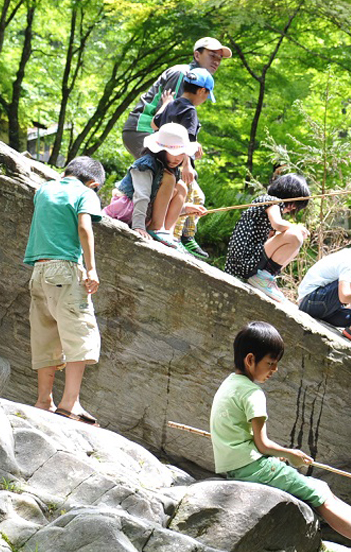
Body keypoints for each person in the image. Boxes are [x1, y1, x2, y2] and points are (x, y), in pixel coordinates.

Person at [210, 320, 351, 552]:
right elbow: (262, 444)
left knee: (321, 487)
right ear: (250, 360)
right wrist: (291, 455)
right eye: (270, 363)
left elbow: (240, 438)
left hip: (240, 466)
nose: (275, 370)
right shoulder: (252, 394)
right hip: (252, 467)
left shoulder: (229, 384)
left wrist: (274, 457)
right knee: (319, 497)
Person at [122, 38, 229, 258]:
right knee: (174, 182)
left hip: (161, 135)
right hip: (144, 132)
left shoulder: (194, 83)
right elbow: (171, 123)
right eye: (212, 55)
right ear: (197, 55)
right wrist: (187, 163)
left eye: (219, 58)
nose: (217, 61)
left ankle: (172, 234)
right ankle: (169, 234)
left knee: (179, 186)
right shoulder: (183, 75)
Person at [24, 156, 106, 426]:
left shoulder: (44, 189)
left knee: (45, 334)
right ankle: (70, 403)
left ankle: (43, 400)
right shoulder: (85, 193)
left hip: (39, 271)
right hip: (66, 269)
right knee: (79, 333)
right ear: (93, 183)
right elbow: (84, 227)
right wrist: (92, 268)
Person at [106, 123, 204, 247]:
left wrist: (185, 208)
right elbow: (142, 195)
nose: (179, 158)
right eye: (174, 152)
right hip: (131, 208)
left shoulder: (171, 170)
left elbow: (161, 204)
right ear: (162, 150)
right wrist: (138, 226)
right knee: (169, 179)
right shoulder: (145, 165)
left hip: (146, 211)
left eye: (182, 153)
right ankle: (157, 228)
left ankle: (167, 233)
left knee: (181, 187)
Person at [153, 68, 215, 258]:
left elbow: (155, 124)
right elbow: (186, 139)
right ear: (202, 91)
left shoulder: (173, 105)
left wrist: (165, 104)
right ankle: (180, 237)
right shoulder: (190, 110)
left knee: (191, 196)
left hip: (164, 156)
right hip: (180, 161)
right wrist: (187, 165)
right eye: (206, 96)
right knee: (193, 197)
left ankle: (178, 235)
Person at [223, 173, 311, 301]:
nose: (293, 208)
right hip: (245, 263)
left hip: (244, 264)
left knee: (296, 242)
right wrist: (296, 227)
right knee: (295, 236)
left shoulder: (268, 206)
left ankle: (266, 277)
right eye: (294, 203)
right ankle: (263, 278)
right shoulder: (271, 201)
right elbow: (278, 224)